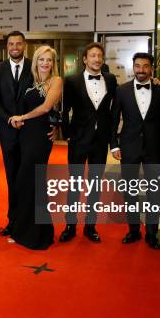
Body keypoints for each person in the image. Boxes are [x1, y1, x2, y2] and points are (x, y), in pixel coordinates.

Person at [60, 42, 117, 243]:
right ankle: (70, 225)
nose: (97, 59)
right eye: (92, 55)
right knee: (74, 184)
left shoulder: (110, 79)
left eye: (99, 56)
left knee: (95, 185)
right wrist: (67, 134)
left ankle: (90, 226)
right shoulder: (73, 80)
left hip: (100, 141)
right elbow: (65, 110)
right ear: (85, 59)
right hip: (78, 139)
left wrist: (112, 141)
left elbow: (111, 114)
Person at [9, 45, 62, 250]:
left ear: (53, 63)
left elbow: (46, 108)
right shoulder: (31, 81)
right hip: (25, 136)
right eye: (41, 59)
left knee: (32, 181)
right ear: (36, 61)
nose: (45, 63)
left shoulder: (56, 81)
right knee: (26, 182)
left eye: (49, 60)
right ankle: (25, 230)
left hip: (40, 138)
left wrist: (22, 117)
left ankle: (37, 235)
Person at [111, 52, 160, 249]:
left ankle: (152, 233)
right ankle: (133, 230)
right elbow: (114, 119)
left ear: (151, 68)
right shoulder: (122, 90)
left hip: (154, 149)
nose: (141, 70)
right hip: (129, 147)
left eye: (145, 66)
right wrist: (114, 145)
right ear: (132, 67)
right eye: (138, 66)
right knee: (130, 192)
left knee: (154, 192)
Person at [0, 31, 34, 236]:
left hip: (29, 131)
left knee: (28, 178)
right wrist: (9, 119)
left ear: (24, 45)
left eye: (18, 43)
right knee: (11, 179)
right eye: (11, 44)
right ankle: (12, 220)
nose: (15, 47)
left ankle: (27, 221)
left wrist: (24, 117)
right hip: (7, 132)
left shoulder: (34, 66)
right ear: (6, 47)